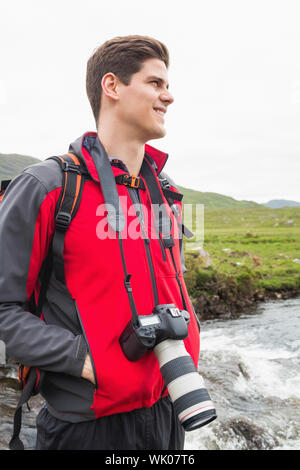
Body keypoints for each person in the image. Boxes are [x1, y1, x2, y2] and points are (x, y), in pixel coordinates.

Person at [0, 35, 200, 450]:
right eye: (156, 83)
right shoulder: (49, 187)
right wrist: (83, 360)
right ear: (112, 86)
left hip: (168, 413)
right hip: (87, 427)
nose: (169, 96)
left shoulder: (164, 191)